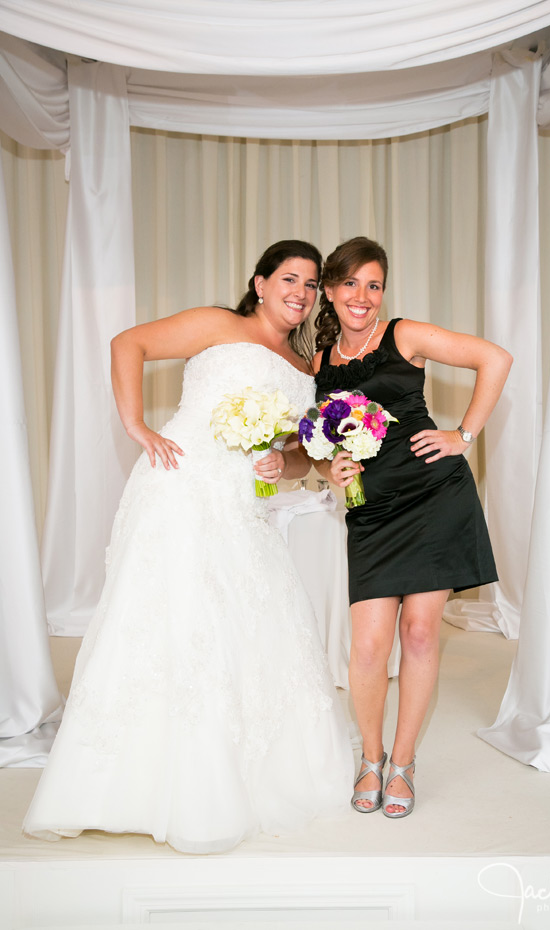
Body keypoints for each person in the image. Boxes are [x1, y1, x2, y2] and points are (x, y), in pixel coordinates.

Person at [23, 239, 353, 853]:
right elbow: (130, 343)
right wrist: (136, 425)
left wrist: (285, 459)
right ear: (259, 284)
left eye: (310, 285)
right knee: (168, 621)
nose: (300, 293)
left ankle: (233, 777)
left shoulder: (307, 368)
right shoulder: (218, 324)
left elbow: (302, 453)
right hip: (179, 486)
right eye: (289, 278)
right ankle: (130, 783)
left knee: (246, 627)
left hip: (242, 504)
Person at [312, 237, 512, 819]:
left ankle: (402, 763)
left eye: (374, 285)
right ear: (329, 290)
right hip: (371, 512)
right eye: (350, 284)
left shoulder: (405, 335)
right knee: (370, 646)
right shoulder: (319, 362)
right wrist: (330, 469)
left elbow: (494, 359)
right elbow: (312, 444)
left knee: (421, 635)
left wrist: (463, 436)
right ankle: (369, 758)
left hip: (433, 497)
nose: (363, 296)